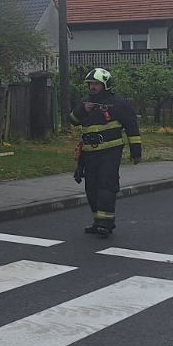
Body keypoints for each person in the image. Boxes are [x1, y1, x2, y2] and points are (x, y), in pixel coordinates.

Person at [70, 67, 142, 238]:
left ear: (106, 84)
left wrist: (136, 151)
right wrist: (83, 110)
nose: (92, 87)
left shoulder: (118, 103)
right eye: (90, 84)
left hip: (110, 151)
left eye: (96, 84)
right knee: (91, 188)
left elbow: (132, 127)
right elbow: (72, 120)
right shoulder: (85, 102)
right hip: (89, 153)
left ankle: (106, 223)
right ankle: (98, 221)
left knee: (106, 185)